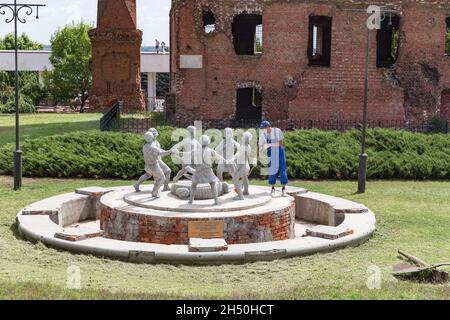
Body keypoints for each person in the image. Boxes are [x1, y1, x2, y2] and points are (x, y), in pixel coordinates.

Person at [258, 120, 288, 197]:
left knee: (282, 169)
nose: (263, 130)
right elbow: (259, 146)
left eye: (264, 128)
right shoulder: (263, 135)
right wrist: (257, 156)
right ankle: (272, 189)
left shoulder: (277, 131)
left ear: (268, 126)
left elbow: (281, 143)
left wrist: (270, 145)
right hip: (271, 153)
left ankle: (283, 189)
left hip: (279, 152)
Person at [229, 131, 253, 200]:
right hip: (247, 166)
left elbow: (237, 155)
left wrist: (232, 160)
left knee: (235, 179)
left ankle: (240, 196)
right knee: (245, 178)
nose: (242, 138)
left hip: (242, 167)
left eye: (243, 137)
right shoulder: (249, 146)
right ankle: (246, 191)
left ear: (245, 139)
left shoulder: (242, 147)